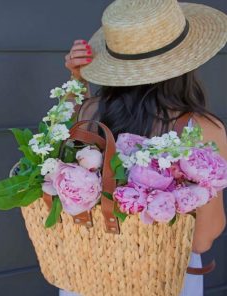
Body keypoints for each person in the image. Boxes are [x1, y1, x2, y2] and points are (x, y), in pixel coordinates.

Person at [60, 1, 227, 295]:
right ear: (186, 60)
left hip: (92, 276)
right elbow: (201, 240)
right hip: (164, 281)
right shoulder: (203, 129)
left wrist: (77, 82)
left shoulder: (89, 114)